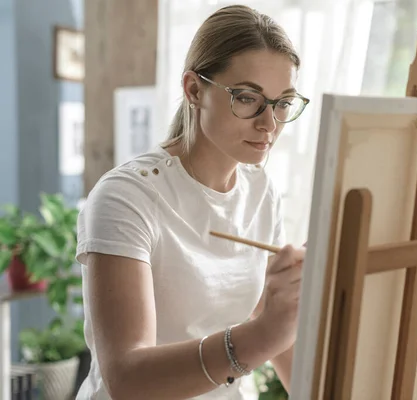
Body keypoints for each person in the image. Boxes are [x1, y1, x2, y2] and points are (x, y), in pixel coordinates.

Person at [75, 5, 310, 399]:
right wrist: (261, 336)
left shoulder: (260, 189)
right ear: (194, 90)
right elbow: (126, 379)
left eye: (283, 102)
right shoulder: (126, 198)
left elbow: (275, 334)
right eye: (248, 98)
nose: (269, 124)